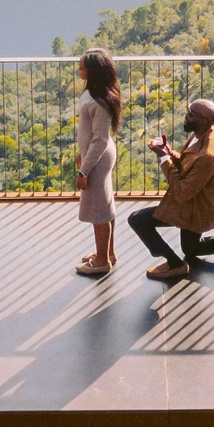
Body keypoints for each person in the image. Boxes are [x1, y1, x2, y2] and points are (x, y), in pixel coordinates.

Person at [127, 98, 214, 282]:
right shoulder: (205, 133)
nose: (186, 115)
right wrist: (169, 152)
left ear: (203, 120)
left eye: (191, 114)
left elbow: (183, 193)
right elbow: (190, 164)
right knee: (191, 249)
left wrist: (164, 160)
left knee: (138, 220)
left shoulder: (207, 155)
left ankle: (175, 264)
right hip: (199, 199)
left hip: (196, 207)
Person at [72, 49, 122, 277]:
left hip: (98, 159)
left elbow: (100, 139)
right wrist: (82, 154)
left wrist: (84, 171)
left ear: (92, 71)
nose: (79, 70)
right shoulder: (93, 93)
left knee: (98, 210)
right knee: (104, 205)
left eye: (82, 67)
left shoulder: (99, 101)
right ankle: (107, 253)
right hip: (95, 155)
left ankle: (102, 261)